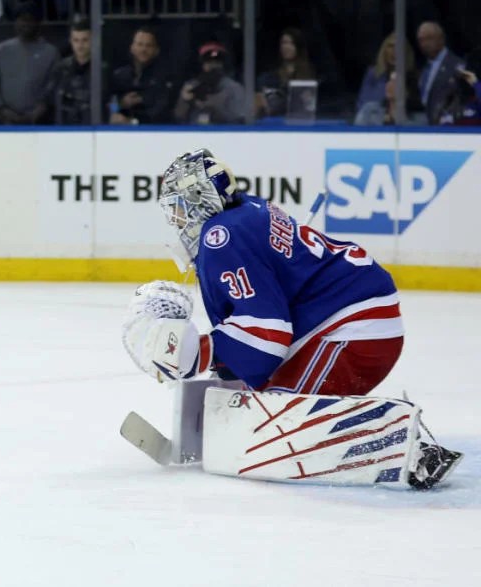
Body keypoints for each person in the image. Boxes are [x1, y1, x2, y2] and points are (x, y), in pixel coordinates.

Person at [121, 148, 461, 490]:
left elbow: (267, 338)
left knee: (276, 426)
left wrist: (197, 352)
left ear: (201, 198)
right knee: (263, 405)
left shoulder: (220, 237)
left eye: (180, 208)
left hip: (352, 326)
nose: (176, 220)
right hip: (349, 315)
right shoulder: (245, 211)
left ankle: (403, 447)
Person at [0, 9, 58, 125]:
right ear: (15, 23)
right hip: (6, 122)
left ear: (38, 23)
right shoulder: (1, 50)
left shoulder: (51, 52)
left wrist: (39, 111)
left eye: (30, 20)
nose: (26, 24)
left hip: (41, 122)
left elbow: (54, 86)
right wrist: (3, 110)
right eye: (22, 19)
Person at [109, 27, 175, 125]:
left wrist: (134, 122)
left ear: (156, 50)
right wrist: (120, 104)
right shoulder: (119, 75)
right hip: (121, 133)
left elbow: (163, 110)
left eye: (148, 45)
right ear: (132, 48)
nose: (143, 49)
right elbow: (110, 102)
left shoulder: (164, 77)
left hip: (154, 132)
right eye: (140, 44)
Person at [173, 42, 247, 125]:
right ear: (202, 65)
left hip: (223, 134)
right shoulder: (192, 85)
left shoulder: (233, 88)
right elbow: (178, 117)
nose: (213, 66)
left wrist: (215, 106)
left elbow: (239, 120)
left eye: (217, 62)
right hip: (193, 133)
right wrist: (185, 101)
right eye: (209, 62)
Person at [354, 32, 415, 125]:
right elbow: (361, 105)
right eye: (390, 46)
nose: (394, 51)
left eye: (399, 46)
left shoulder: (412, 77)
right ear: (384, 50)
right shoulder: (373, 74)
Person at [46, 21, 100, 125]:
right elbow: (50, 97)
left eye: (85, 40)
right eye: (76, 40)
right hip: (64, 127)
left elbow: (110, 101)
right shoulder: (61, 68)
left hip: (93, 128)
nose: (80, 45)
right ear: (71, 41)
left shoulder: (101, 69)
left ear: (93, 40)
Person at [255, 28, 317, 119]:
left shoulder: (309, 76)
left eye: (291, 43)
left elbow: (309, 107)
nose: (286, 47)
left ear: (298, 47)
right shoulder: (269, 77)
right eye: (284, 43)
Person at [416, 21, 465, 125]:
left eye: (429, 38)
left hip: (449, 127)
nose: (424, 44)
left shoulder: (457, 65)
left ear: (441, 39)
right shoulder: (422, 68)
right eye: (421, 40)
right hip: (424, 125)